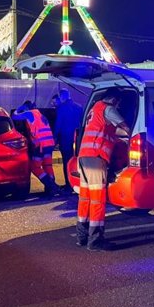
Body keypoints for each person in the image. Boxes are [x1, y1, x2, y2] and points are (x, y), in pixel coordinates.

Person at [76, 90, 129, 251]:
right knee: (98, 200)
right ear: (114, 99)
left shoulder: (95, 109)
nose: (118, 105)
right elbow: (124, 126)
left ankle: (82, 237)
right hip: (96, 158)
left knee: (85, 199)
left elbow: (106, 131)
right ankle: (96, 240)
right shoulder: (108, 108)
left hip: (84, 157)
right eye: (118, 102)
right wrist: (134, 133)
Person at [12, 100, 60, 197]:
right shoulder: (41, 115)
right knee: (47, 166)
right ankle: (51, 189)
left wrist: (19, 109)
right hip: (49, 144)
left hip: (40, 145)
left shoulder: (30, 113)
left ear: (27, 108)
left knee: (35, 167)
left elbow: (15, 116)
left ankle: (52, 185)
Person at [54, 88, 83, 192]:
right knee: (77, 161)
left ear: (62, 97)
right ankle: (79, 183)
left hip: (65, 139)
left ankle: (69, 184)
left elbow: (58, 124)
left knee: (67, 162)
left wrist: (55, 138)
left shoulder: (61, 108)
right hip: (78, 139)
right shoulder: (79, 107)